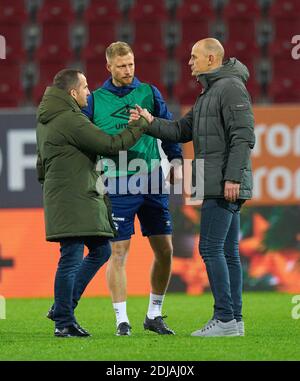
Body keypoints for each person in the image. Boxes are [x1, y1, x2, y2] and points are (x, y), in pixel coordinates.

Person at [130, 38, 256, 337]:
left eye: (194, 56)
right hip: (214, 181)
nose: (189, 62)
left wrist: (233, 178)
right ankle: (234, 321)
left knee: (211, 248)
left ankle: (225, 319)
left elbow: (243, 136)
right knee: (227, 251)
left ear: (212, 59)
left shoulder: (229, 88)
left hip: (222, 183)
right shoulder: (209, 93)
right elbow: (180, 131)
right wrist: (149, 121)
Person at [82, 41, 183, 336]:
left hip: (152, 179)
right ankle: (121, 320)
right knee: (119, 252)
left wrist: (175, 159)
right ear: (109, 67)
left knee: (165, 250)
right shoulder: (95, 100)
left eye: (131, 64)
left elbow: (167, 128)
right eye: (122, 66)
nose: (128, 70)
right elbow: (84, 139)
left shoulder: (149, 93)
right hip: (116, 181)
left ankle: (154, 314)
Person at [36, 69, 146, 337]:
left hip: (66, 195)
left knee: (100, 250)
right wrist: (140, 124)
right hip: (73, 198)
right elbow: (111, 144)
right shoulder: (71, 120)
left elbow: (41, 167)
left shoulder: (47, 120)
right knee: (71, 257)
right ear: (73, 93)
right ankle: (63, 321)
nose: (89, 91)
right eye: (85, 87)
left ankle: (62, 308)